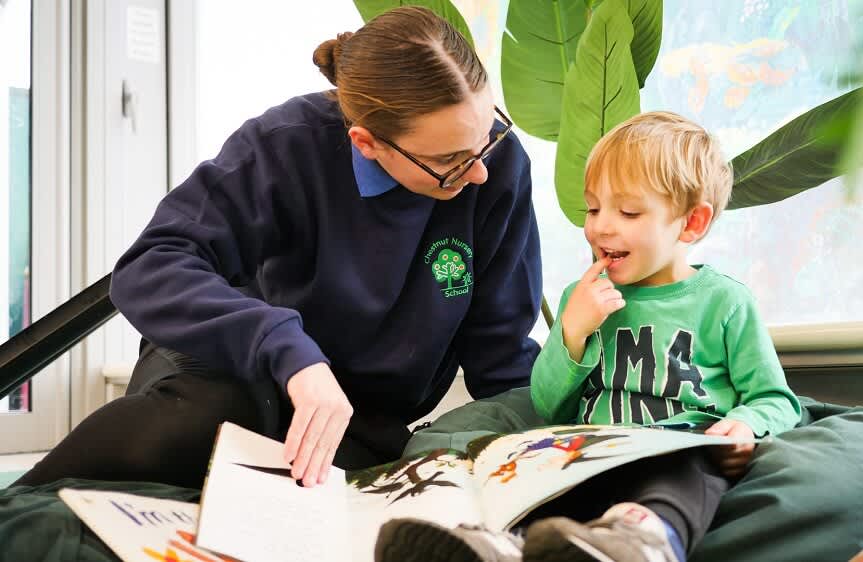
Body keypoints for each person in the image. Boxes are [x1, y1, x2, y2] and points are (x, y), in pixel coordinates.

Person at [15, 6, 541, 491]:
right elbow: (151, 266)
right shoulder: (285, 145)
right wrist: (288, 351)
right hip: (233, 368)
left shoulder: (497, 167)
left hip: (355, 419)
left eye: (486, 138)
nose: (479, 172)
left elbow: (501, 356)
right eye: (450, 159)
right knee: (198, 422)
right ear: (368, 143)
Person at [374, 111, 801, 562]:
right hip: (591, 452)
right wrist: (573, 332)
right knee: (539, 474)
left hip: (678, 448)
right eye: (593, 208)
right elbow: (548, 405)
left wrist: (746, 425)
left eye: (628, 211)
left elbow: (777, 399)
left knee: (685, 473)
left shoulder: (724, 303)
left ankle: (642, 542)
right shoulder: (584, 298)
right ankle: (502, 545)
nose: (600, 227)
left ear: (691, 223)